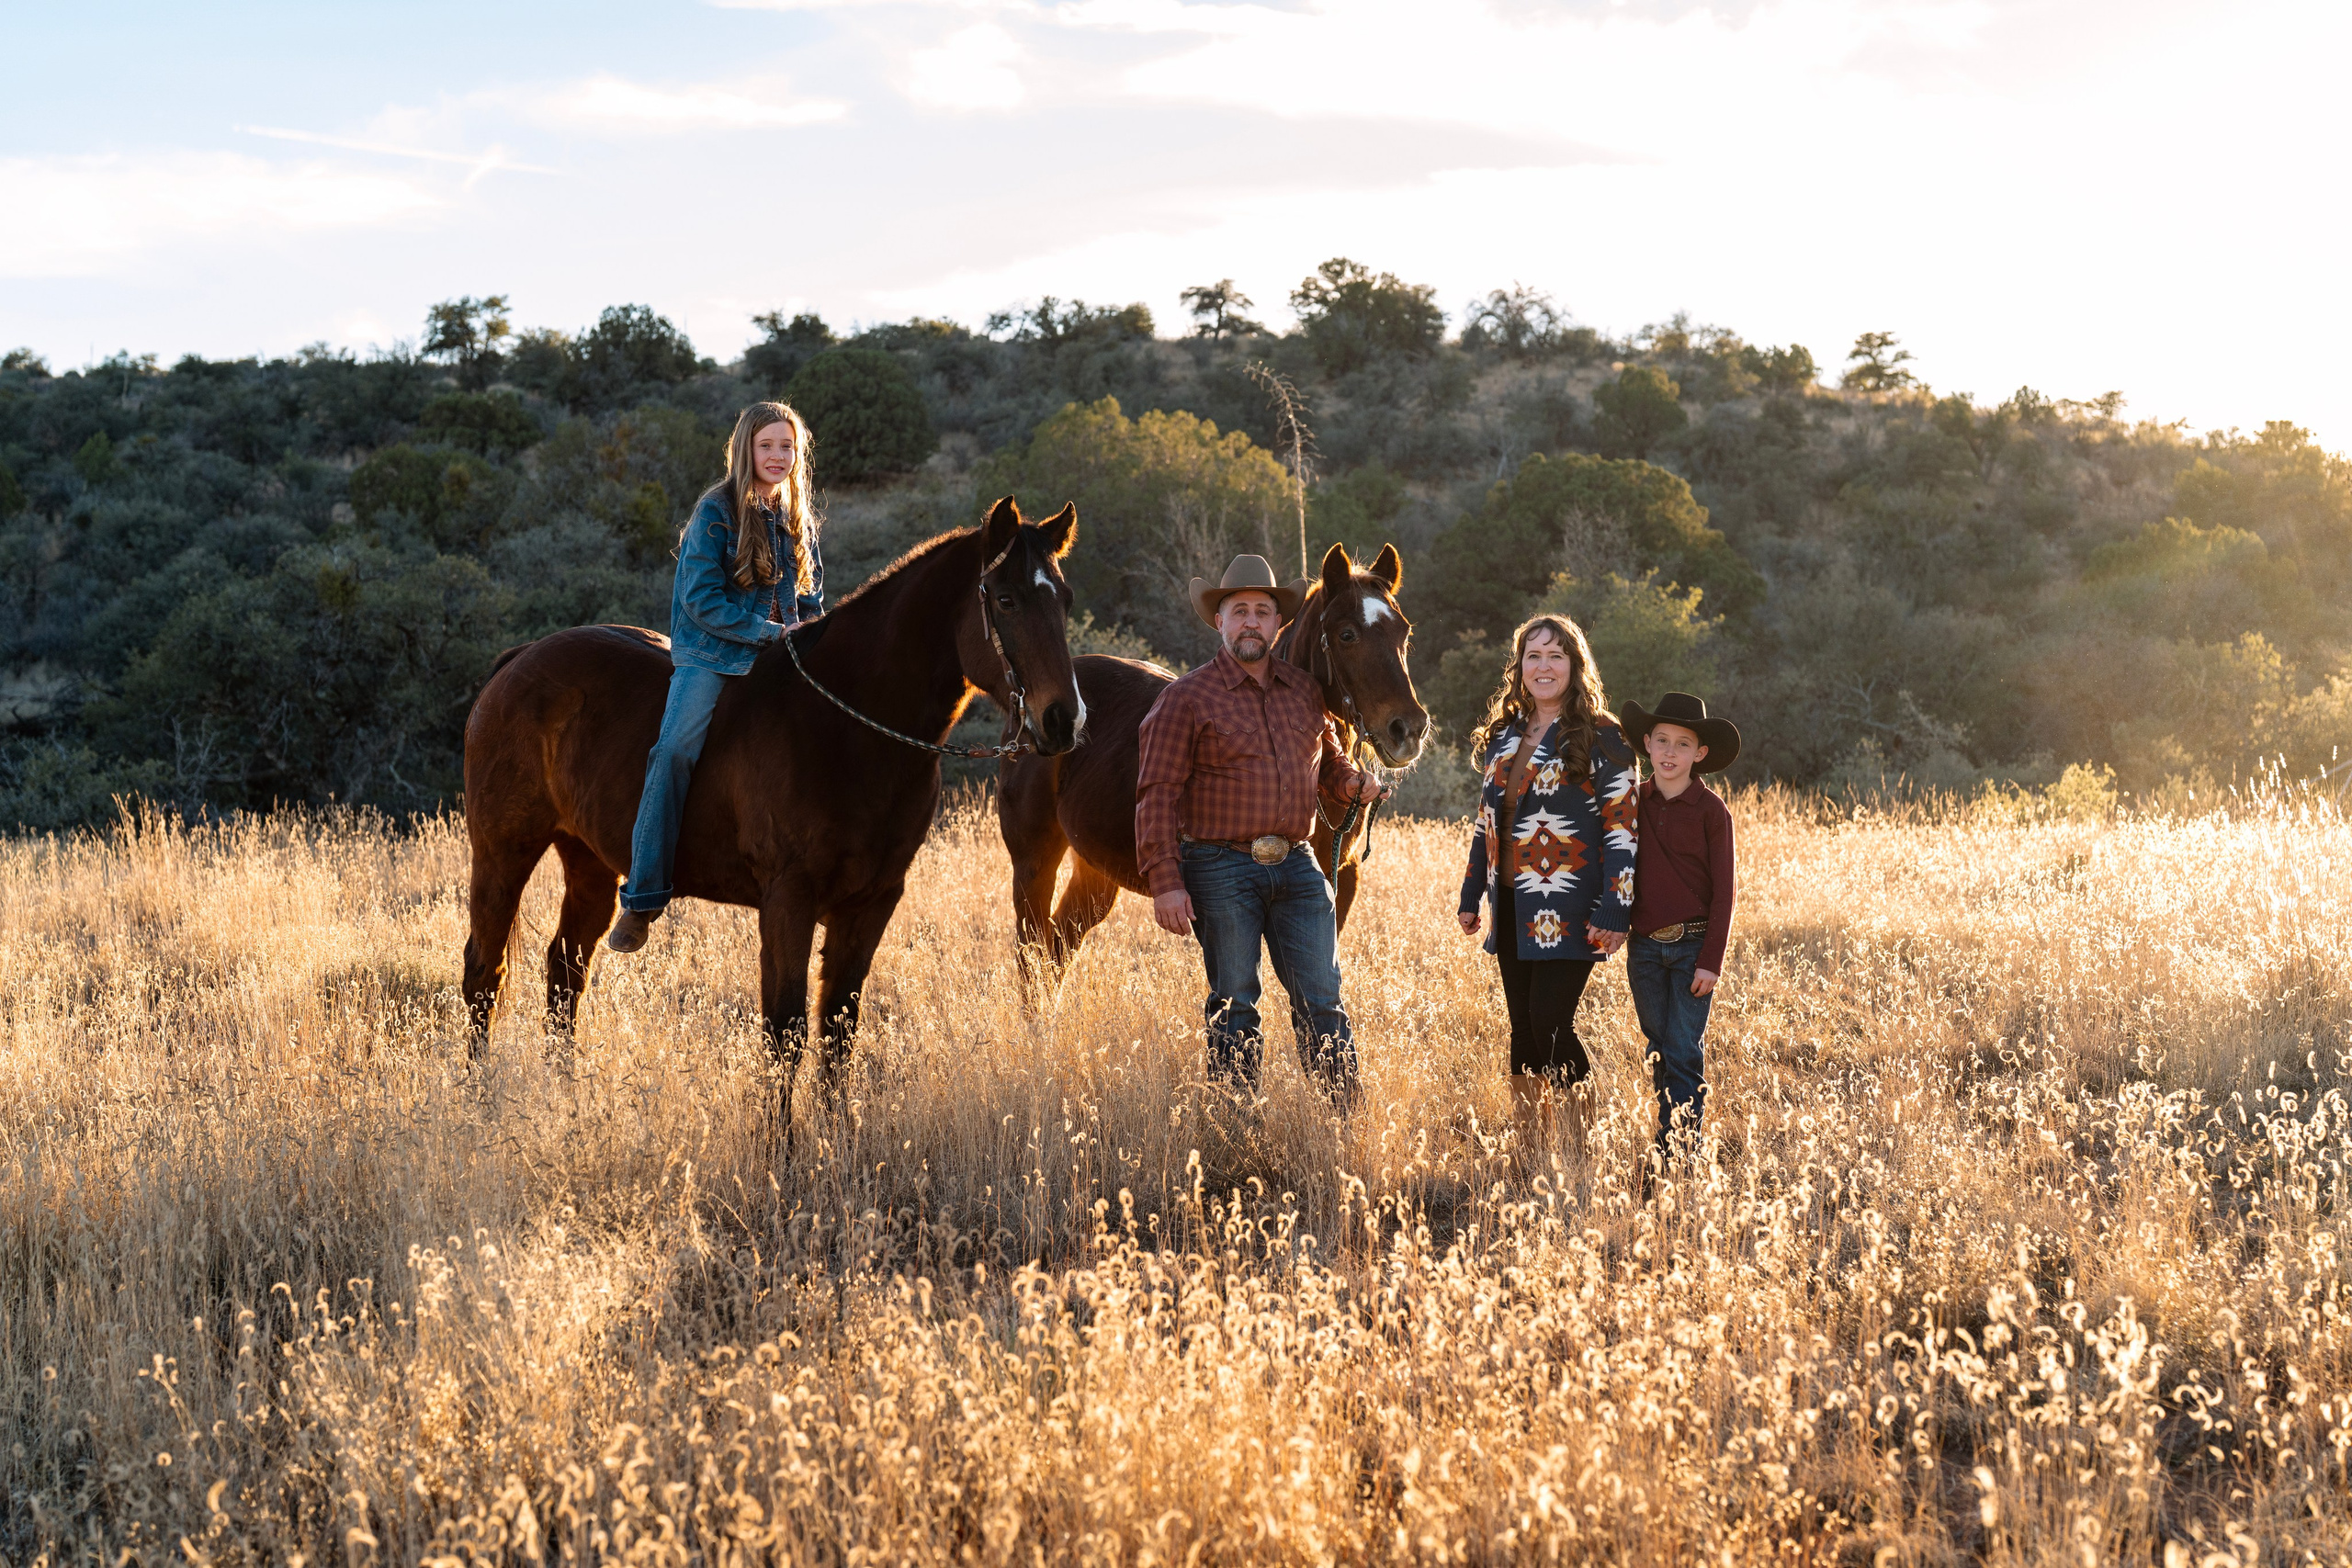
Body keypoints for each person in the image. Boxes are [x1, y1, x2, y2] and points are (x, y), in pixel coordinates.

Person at [1136, 555, 1385, 1107]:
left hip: (1297, 865)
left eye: (1263, 612)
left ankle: (1344, 1123)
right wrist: (1166, 882)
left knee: (1323, 999)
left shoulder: (1303, 691)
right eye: (1239, 611)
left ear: (1279, 624)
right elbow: (1157, 793)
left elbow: (1330, 762)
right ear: (1219, 622)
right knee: (1236, 1000)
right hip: (1219, 866)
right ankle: (1234, 1127)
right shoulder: (1185, 699)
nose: (1251, 622)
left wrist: (1352, 784)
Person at [607, 402, 823, 953]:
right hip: (712, 654)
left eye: (787, 447)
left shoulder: (797, 516)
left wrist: (808, 630)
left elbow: (808, 597)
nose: (777, 457)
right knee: (673, 752)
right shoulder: (716, 512)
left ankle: (823, 877)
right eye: (767, 446)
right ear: (745, 449)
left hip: (780, 654)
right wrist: (770, 633)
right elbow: (701, 601)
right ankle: (642, 899)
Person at [1456, 615, 1638, 1167]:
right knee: (1521, 1026)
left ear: (1575, 666)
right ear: (1519, 668)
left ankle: (1581, 1149)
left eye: (1556, 655)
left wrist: (1616, 906)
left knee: (1550, 1021)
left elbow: (1623, 827)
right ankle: (1533, 1151)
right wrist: (1471, 893)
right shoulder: (1505, 736)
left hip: (1571, 902)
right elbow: (1487, 819)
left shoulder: (1604, 736)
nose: (1544, 666)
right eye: (1533, 656)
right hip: (1511, 902)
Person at [1617, 691, 1739, 1166]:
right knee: (1659, 1047)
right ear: (1646, 744)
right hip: (1645, 949)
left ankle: (1679, 1154)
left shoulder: (1712, 813)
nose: (1670, 753)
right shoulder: (1632, 802)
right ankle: (1668, 1134)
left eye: (1682, 744)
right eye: (1662, 741)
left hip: (1691, 948)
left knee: (1684, 1048)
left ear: (1700, 754)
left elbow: (1724, 893)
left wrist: (1711, 961)